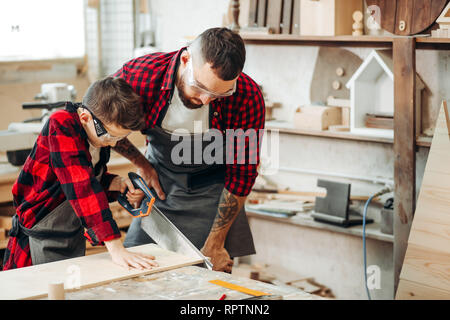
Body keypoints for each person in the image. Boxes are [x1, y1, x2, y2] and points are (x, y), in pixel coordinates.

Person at [112, 27, 265, 273]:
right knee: (136, 272)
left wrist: (216, 243)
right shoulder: (142, 76)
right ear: (185, 60)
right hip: (160, 188)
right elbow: (104, 121)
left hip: (213, 195)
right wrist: (142, 163)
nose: (206, 100)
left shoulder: (246, 96)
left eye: (219, 93)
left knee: (207, 286)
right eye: (201, 88)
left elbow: (243, 173)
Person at [2, 77, 158, 271]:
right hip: (38, 235)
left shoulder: (96, 134)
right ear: (85, 117)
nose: (112, 144)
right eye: (109, 136)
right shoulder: (60, 125)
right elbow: (80, 186)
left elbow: (87, 176)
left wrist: (116, 183)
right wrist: (116, 247)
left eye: (119, 139)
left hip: (69, 232)